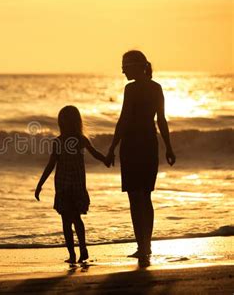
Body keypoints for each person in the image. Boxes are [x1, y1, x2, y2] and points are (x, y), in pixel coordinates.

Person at [106, 50, 176, 266]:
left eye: (125, 66)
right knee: (145, 196)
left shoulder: (131, 89)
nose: (122, 71)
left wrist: (112, 147)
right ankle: (146, 245)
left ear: (136, 66)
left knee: (135, 199)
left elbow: (124, 118)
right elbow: (161, 121)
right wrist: (169, 147)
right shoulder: (156, 88)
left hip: (132, 147)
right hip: (149, 145)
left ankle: (142, 246)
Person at [35, 105, 109, 265]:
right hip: (64, 187)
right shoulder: (63, 142)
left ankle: (81, 250)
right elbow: (51, 165)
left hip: (72, 187)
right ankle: (74, 253)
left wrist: (105, 159)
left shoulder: (78, 140)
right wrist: (40, 184)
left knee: (73, 219)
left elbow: (94, 152)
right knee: (69, 220)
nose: (65, 123)